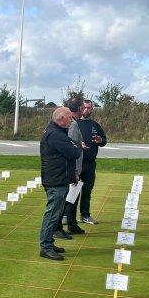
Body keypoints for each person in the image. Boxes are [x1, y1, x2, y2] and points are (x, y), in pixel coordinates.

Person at [39, 107, 82, 260]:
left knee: (55, 214)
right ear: (60, 119)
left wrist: (75, 146)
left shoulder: (58, 133)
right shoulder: (55, 135)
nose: (72, 120)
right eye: (70, 118)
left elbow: (74, 147)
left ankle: (49, 242)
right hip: (55, 180)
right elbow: (75, 152)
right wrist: (76, 147)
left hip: (58, 178)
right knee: (52, 215)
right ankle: (45, 247)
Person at [56, 97, 85, 238]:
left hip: (73, 168)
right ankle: (62, 226)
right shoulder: (73, 124)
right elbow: (71, 147)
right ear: (79, 108)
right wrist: (75, 171)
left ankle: (71, 224)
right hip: (72, 168)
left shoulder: (73, 123)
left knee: (73, 197)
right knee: (70, 198)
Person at [77, 99, 107, 224]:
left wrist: (100, 140)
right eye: (85, 107)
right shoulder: (75, 124)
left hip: (90, 164)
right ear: (80, 108)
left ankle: (85, 215)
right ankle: (67, 216)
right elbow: (67, 141)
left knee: (87, 190)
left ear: (92, 109)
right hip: (77, 163)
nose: (87, 110)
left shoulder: (95, 125)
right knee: (73, 191)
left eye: (89, 108)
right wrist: (79, 144)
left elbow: (104, 141)